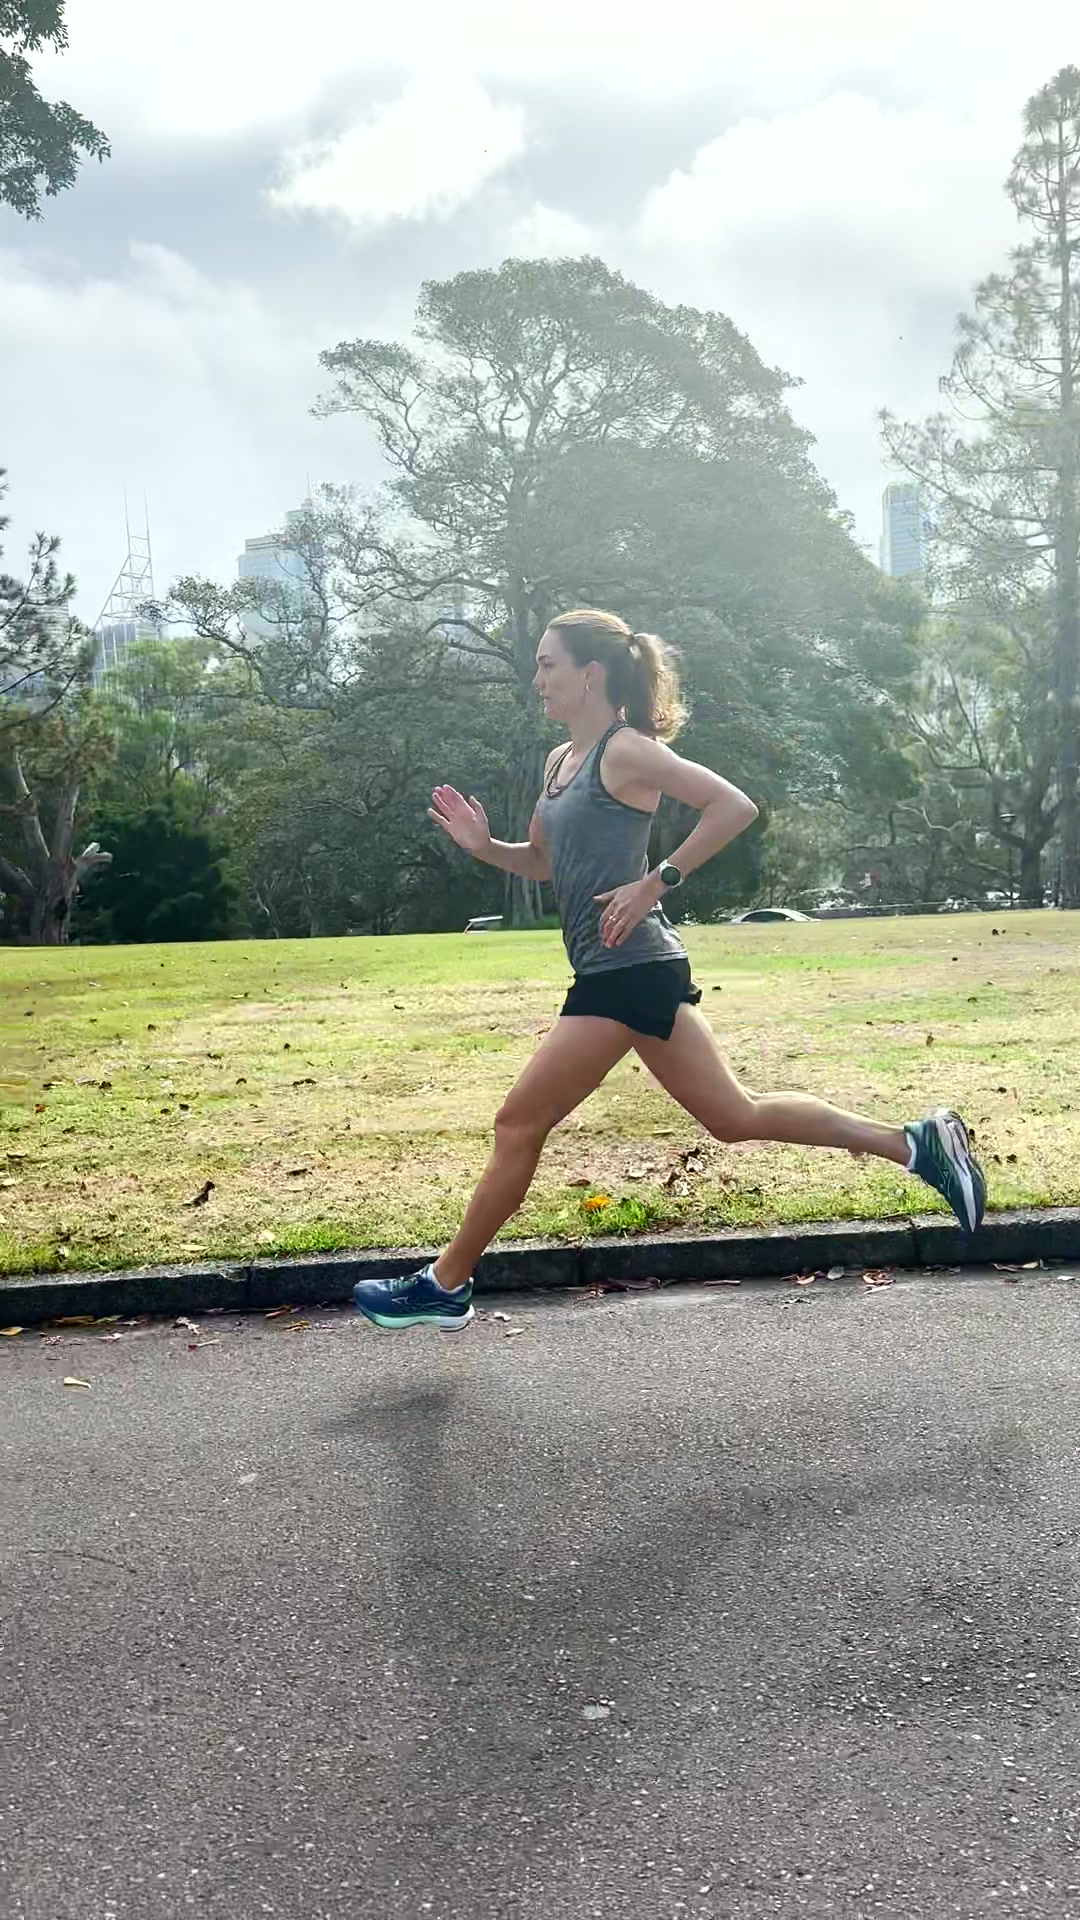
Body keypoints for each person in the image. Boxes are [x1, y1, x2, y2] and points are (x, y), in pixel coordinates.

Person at [353, 608, 986, 1332]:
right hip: (629, 969)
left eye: (547, 665)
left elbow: (733, 806)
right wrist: (483, 846)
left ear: (589, 674)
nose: (537, 680)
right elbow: (543, 861)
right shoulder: (561, 762)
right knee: (735, 1117)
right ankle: (917, 1144)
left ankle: (445, 1283)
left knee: (518, 1122)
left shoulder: (625, 751)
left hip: (625, 972)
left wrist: (656, 881)